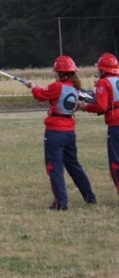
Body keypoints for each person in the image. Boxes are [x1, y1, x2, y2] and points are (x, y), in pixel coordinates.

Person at [24, 55, 97, 210]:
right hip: (69, 131)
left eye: (56, 72)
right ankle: (90, 197)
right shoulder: (75, 88)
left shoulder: (58, 87)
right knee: (74, 166)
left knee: (54, 167)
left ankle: (61, 203)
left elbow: (40, 94)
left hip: (55, 132)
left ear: (61, 74)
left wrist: (32, 86)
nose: (55, 74)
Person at [79, 53, 119, 194]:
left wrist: (85, 107)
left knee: (116, 161)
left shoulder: (104, 82)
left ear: (103, 70)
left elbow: (101, 106)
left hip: (116, 124)